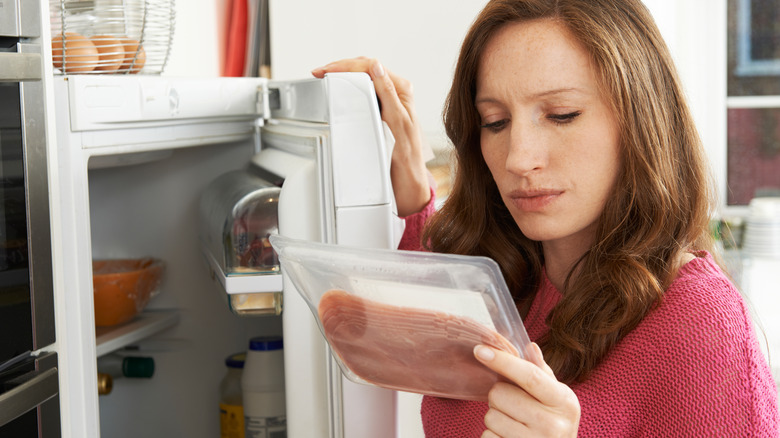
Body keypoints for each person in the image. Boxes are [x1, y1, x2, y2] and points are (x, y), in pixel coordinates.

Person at [312, 0, 780, 436]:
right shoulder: (502, 276)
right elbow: (404, 329)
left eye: (561, 114)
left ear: (641, 121)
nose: (518, 158)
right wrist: (410, 176)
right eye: (494, 122)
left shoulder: (700, 324)